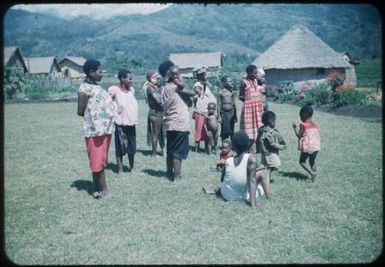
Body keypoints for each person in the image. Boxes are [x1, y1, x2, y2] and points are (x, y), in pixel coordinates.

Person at [77, 59, 115, 199]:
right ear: (91, 72)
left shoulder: (97, 87)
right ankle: (104, 189)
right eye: (100, 71)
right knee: (97, 160)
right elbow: (80, 110)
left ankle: (95, 187)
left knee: (100, 159)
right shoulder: (84, 89)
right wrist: (96, 117)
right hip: (95, 131)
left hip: (105, 130)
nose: (102, 73)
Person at [161, 64, 196, 181]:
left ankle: (168, 173)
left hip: (169, 123)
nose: (177, 77)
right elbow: (192, 93)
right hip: (180, 123)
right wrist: (181, 82)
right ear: (170, 75)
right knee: (178, 153)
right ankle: (177, 177)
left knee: (170, 150)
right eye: (175, 75)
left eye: (178, 74)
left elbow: (188, 101)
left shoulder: (165, 87)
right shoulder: (176, 87)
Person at [219, 131, 271, 208]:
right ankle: (269, 197)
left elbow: (222, 179)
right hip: (237, 196)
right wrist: (253, 205)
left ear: (233, 146)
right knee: (264, 173)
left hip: (225, 193)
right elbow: (252, 181)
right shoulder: (251, 158)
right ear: (248, 144)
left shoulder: (228, 160)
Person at [108, 69, 138, 175]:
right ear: (122, 78)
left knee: (132, 146)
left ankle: (132, 167)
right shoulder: (115, 90)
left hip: (131, 122)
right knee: (120, 146)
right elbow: (108, 102)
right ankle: (120, 170)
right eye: (129, 78)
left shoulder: (131, 90)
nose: (131, 80)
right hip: (120, 123)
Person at [239, 64, 265, 153]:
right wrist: (249, 104)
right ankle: (250, 148)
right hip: (249, 109)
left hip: (258, 108)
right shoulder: (244, 83)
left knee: (259, 127)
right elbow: (241, 96)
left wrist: (256, 103)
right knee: (249, 129)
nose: (256, 74)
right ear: (249, 73)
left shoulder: (255, 81)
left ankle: (259, 148)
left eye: (256, 72)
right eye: (254, 73)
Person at [292, 104, 321, 182]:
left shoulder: (303, 125)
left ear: (304, 115)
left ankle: (312, 173)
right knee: (312, 162)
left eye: (300, 116)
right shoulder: (314, 125)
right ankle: (314, 174)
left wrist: (294, 128)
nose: (300, 118)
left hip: (308, 147)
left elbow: (299, 136)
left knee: (302, 161)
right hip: (316, 147)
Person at [192, 67, 217, 152]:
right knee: (199, 129)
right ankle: (197, 148)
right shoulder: (198, 85)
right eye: (205, 74)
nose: (207, 76)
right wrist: (198, 93)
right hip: (201, 111)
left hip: (206, 111)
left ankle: (206, 147)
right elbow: (196, 94)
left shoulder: (203, 84)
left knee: (206, 130)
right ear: (200, 76)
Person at [257, 110, 286, 183]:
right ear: (271, 121)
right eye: (275, 120)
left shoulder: (261, 129)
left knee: (267, 166)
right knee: (272, 166)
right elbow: (272, 144)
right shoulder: (269, 132)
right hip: (269, 153)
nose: (275, 122)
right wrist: (281, 147)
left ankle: (264, 176)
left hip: (264, 153)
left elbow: (258, 139)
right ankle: (266, 179)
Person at [145, 71, 165, 157]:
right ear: (150, 79)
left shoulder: (156, 87)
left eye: (158, 78)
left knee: (161, 133)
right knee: (156, 134)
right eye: (155, 78)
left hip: (158, 113)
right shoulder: (150, 88)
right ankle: (154, 154)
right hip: (155, 114)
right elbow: (159, 101)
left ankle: (162, 151)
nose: (158, 79)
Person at [217, 75, 237, 141]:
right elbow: (219, 104)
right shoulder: (220, 92)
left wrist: (235, 116)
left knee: (231, 129)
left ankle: (233, 145)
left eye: (231, 81)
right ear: (224, 83)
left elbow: (234, 104)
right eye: (229, 81)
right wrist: (219, 116)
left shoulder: (232, 93)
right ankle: (224, 144)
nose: (231, 82)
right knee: (224, 129)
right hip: (223, 114)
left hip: (231, 114)